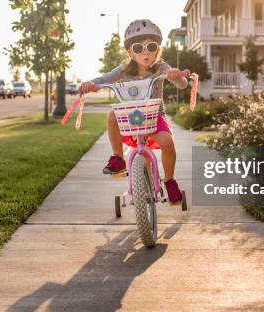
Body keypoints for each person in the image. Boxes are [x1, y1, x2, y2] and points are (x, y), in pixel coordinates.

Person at [79, 19, 188, 204]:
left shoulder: (162, 67)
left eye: (151, 46)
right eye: (138, 48)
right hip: (130, 116)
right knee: (112, 114)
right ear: (130, 51)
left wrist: (176, 76)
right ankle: (118, 157)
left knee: (168, 144)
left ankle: (169, 181)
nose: (145, 52)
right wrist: (92, 84)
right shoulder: (124, 69)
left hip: (154, 116)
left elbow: (183, 84)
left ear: (157, 49)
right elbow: (106, 78)